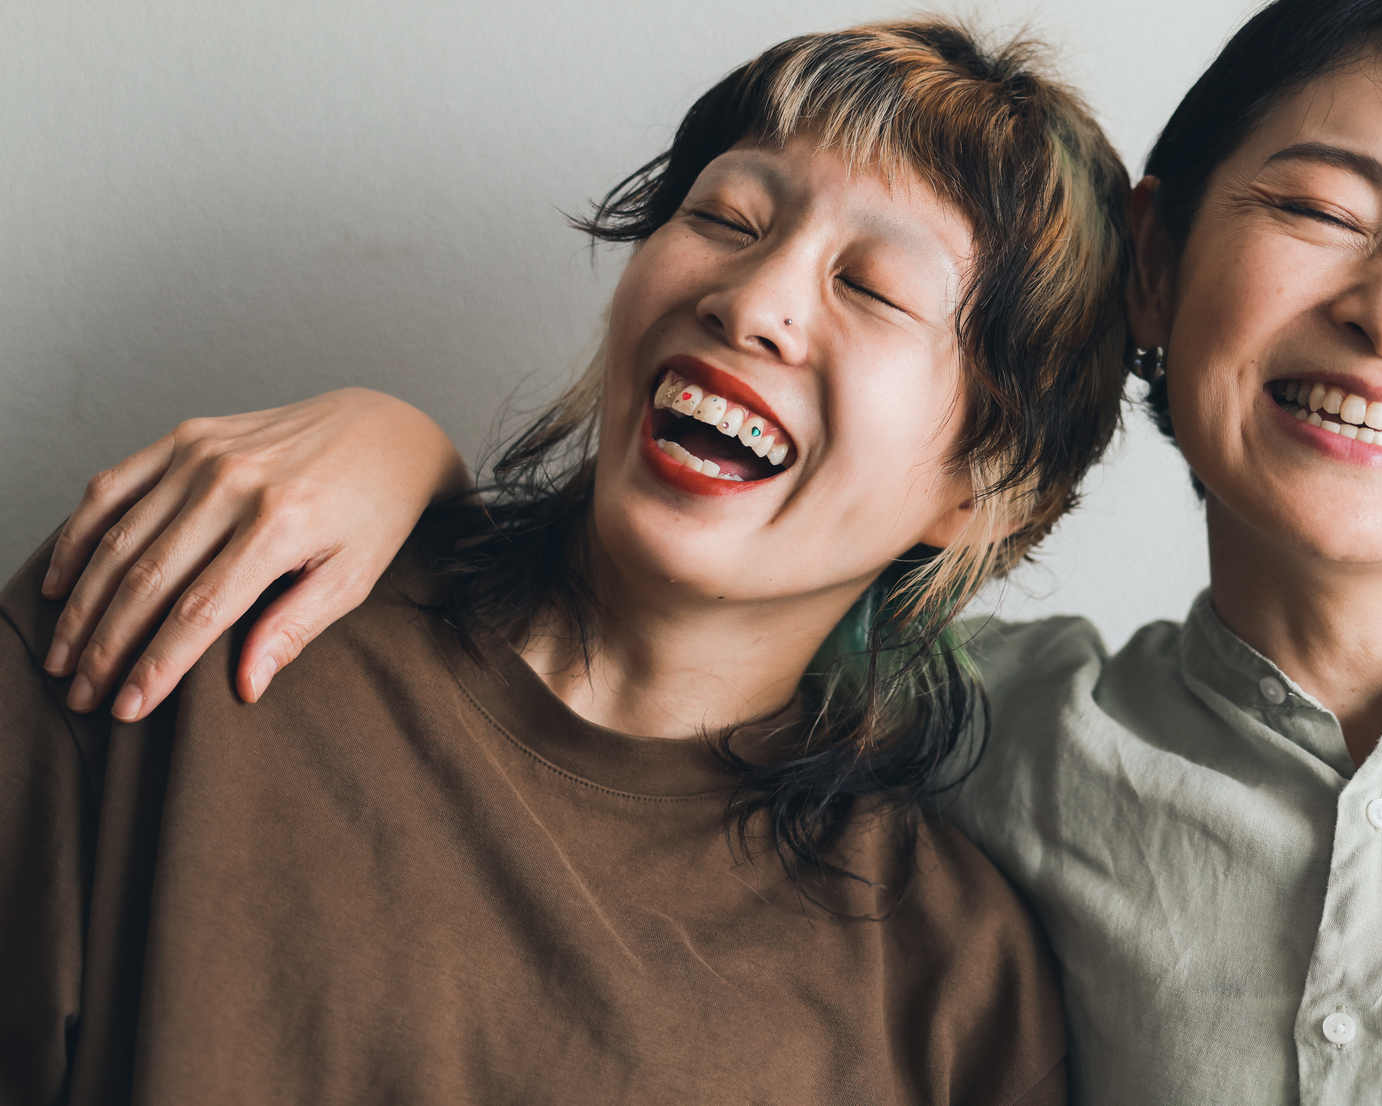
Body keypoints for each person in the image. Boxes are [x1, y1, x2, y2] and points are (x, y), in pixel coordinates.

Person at [28, 0, 1382, 1101]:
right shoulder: (985, 759)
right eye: (1324, 208)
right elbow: (672, 638)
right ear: (1163, 274)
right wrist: (398, 457)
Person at [0, 18, 1137, 1104]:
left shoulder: (955, 988)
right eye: (728, 217)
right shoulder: (214, 586)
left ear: (982, 485)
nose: (750, 301)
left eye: (870, 286)